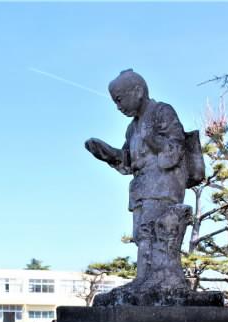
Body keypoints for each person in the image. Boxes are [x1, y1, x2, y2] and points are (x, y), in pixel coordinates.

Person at [85, 69, 204, 298]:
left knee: (155, 229)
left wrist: (153, 140)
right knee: (141, 234)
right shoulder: (132, 128)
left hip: (163, 184)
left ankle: (158, 279)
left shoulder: (162, 112)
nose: (118, 107)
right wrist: (108, 154)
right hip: (141, 186)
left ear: (138, 91)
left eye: (119, 99)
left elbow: (175, 147)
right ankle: (143, 278)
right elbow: (128, 161)